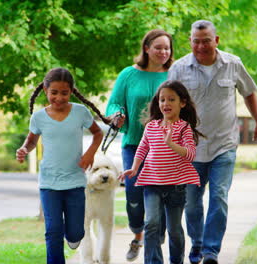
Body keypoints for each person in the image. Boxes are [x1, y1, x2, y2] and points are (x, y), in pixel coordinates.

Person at [168, 20, 257, 264]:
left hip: (224, 144)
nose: (201, 46)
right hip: (189, 149)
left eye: (206, 41)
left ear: (217, 40)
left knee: (219, 197)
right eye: (196, 41)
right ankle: (198, 243)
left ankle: (211, 251)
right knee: (191, 204)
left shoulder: (232, 64)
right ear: (190, 41)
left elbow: (249, 92)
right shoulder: (179, 68)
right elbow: (166, 103)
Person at [16, 67, 110, 264]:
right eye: (54, 93)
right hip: (49, 182)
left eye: (64, 93)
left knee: (76, 232)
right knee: (53, 230)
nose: (59, 98)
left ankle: (73, 237)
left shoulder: (80, 112)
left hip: (75, 180)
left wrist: (90, 153)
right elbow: (31, 141)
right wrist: (24, 149)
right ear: (45, 90)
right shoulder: (39, 117)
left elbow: (97, 133)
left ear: (71, 91)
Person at [106, 28, 174, 261]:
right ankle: (138, 235)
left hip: (164, 147)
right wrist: (116, 116)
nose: (163, 52)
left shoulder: (173, 75)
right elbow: (114, 103)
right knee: (134, 195)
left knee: (162, 194)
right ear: (146, 49)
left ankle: (156, 235)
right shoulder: (128, 74)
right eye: (158, 47)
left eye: (167, 48)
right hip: (134, 144)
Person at [119, 80, 203, 264]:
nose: (166, 103)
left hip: (176, 186)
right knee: (151, 224)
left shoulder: (184, 128)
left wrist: (171, 144)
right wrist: (134, 168)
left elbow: (190, 154)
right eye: (162, 100)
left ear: (182, 103)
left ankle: (176, 261)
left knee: (173, 229)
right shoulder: (151, 126)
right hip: (151, 184)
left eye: (171, 99)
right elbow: (142, 148)